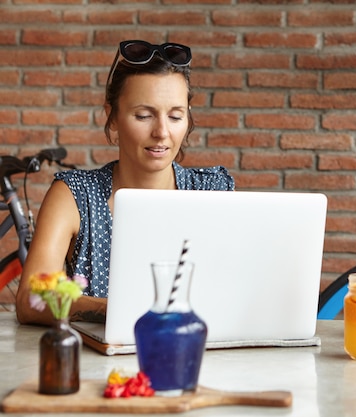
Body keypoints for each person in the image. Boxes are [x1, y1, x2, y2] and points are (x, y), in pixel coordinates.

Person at [16, 40, 235, 325]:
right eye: (143, 115)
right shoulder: (75, 195)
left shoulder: (213, 191)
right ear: (113, 118)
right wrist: (122, 312)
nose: (161, 132)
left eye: (176, 116)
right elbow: (29, 300)